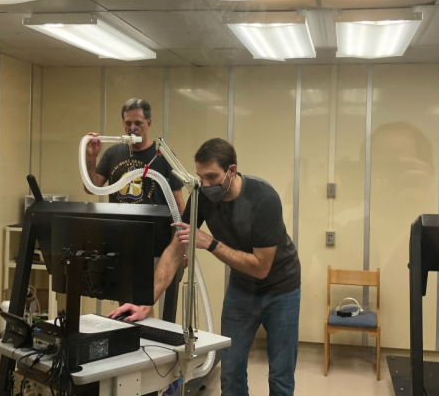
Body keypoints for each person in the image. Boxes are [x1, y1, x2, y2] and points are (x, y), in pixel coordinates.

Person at [109, 138, 302, 396]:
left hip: (281, 290)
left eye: (212, 177)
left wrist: (210, 243)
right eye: (200, 177)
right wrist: (146, 300)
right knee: (231, 372)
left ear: (231, 171)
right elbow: (175, 250)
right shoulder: (202, 197)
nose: (205, 185)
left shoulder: (263, 199)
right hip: (242, 290)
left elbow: (261, 267)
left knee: (280, 376)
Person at [84, 98, 186, 321]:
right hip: (122, 244)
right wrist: (90, 158)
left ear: (148, 123)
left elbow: (179, 204)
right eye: (128, 122)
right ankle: (129, 346)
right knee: (127, 309)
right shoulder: (113, 154)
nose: (132, 128)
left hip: (157, 245)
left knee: (150, 306)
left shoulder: (162, 156)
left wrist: (182, 247)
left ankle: (157, 351)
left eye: (138, 122)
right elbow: (91, 186)